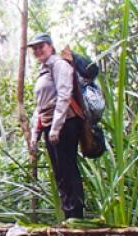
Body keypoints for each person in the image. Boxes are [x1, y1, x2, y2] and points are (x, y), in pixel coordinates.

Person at [27, 32, 85, 220]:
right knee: (59, 171)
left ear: (50, 46)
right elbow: (40, 105)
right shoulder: (43, 70)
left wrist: (56, 127)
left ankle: (76, 216)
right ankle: (68, 215)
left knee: (67, 167)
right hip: (49, 124)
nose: (38, 51)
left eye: (41, 46)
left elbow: (64, 96)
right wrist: (35, 135)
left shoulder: (59, 65)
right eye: (34, 48)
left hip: (66, 122)